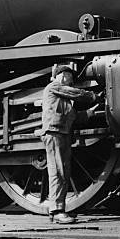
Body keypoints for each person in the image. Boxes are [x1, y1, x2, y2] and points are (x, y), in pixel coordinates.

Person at [41, 65, 99, 224]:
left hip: (63, 134)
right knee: (58, 171)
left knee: (64, 172)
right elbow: (76, 93)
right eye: (69, 76)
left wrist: (90, 112)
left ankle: (58, 210)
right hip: (54, 133)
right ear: (61, 75)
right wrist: (93, 96)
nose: (72, 80)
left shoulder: (64, 101)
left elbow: (74, 117)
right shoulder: (54, 87)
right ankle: (57, 210)